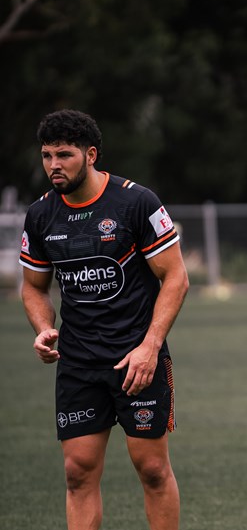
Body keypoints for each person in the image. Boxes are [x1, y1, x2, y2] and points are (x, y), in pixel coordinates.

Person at [19, 109, 189, 530]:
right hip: (78, 363)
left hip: (136, 358)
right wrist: (44, 329)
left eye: (64, 155)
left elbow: (176, 278)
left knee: (151, 469)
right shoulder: (40, 215)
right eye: (46, 156)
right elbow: (34, 286)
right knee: (77, 473)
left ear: (90, 154)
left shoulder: (136, 202)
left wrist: (149, 347)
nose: (54, 165)